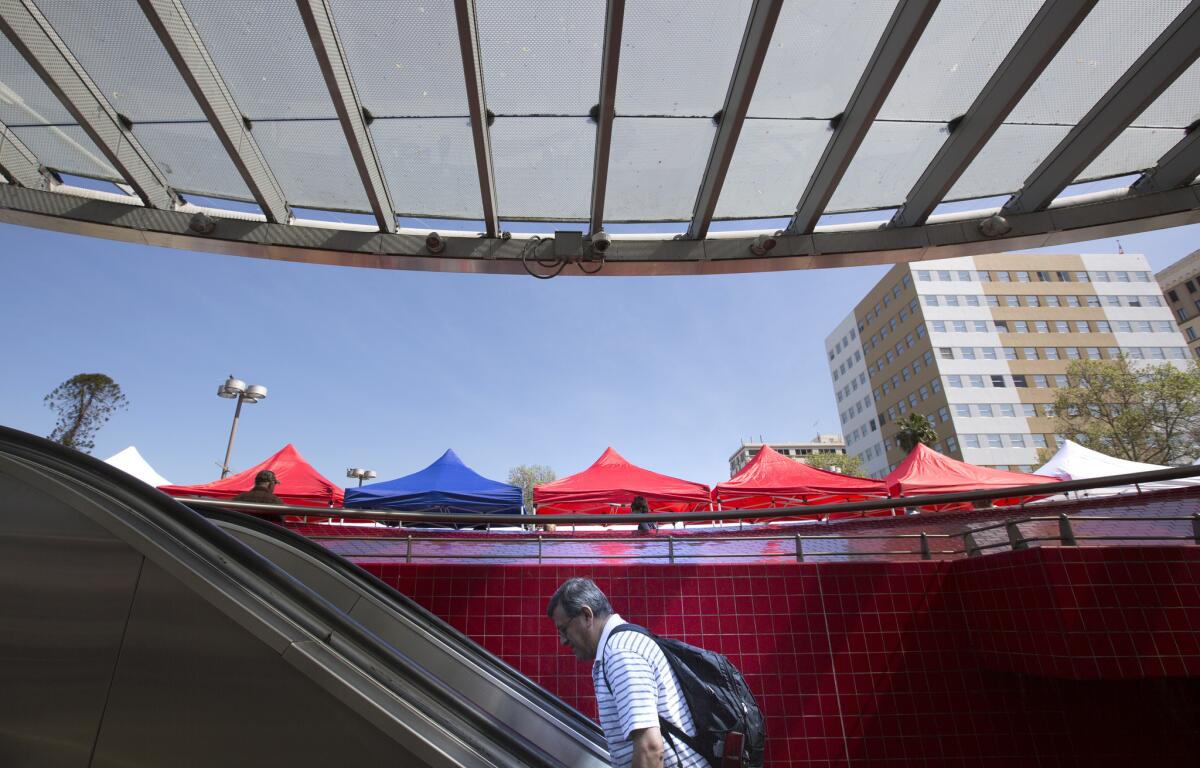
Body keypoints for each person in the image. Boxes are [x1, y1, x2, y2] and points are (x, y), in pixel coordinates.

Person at [547, 578, 705, 768]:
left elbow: (650, 748)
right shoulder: (624, 643)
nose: (563, 640)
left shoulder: (620, 653)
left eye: (564, 630)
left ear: (587, 615)